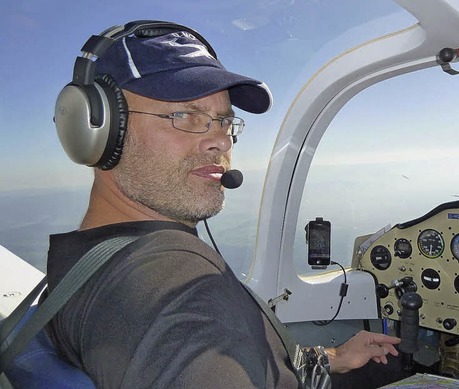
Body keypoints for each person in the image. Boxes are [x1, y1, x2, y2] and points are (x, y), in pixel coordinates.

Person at [45, 21, 401, 388]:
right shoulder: (177, 294)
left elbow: (245, 360)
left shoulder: (89, 257)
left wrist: (331, 359)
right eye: (184, 115)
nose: (219, 141)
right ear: (98, 127)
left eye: (224, 121)